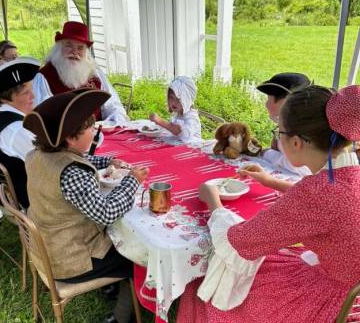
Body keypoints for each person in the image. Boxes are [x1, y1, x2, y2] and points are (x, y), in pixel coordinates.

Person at [177, 84, 360, 323]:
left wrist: (212, 197)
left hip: (330, 302)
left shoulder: (315, 194)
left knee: (202, 288)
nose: (277, 136)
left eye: (279, 131)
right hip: (350, 288)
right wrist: (271, 181)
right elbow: (329, 206)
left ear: (295, 142)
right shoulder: (349, 173)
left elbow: (238, 240)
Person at [23, 88, 149, 323]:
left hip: (45, 246)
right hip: (68, 259)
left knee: (124, 243)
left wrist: (107, 160)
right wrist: (132, 181)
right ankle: (121, 318)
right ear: (71, 137)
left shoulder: (37, 154)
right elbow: (106, 213)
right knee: (135, 253)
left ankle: (110, 288)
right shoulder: (72, 174)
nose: (94, 131)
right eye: (90, 128)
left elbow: (73, 158)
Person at [32, 21, 128, 123]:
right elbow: (42, 117)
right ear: (59, 47)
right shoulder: (44, 77)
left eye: (80, 48)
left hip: (99, 134)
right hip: (62, 137)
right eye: (69, 45)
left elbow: (113, 105)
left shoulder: (95, 74)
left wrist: (114, 121)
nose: (74, 52)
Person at [0, 57, 40, 208]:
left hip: (14, 192)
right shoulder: (15, 129)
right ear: (6, 98)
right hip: (31, 198)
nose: (33, 96)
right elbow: (48, 163)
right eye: (26, 93)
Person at [241, 72, 312, 192]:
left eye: (269, 98)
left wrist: (267, 153)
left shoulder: (301, 130)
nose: (266, 104)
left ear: (285, 101)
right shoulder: (288, 123)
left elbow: (301, 167)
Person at [148, 76, 201, 144]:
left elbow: (183, 134)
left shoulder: (192, 116)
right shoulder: (178, 113)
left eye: (178, 99)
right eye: (171, 97)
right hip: (180, 148)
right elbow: (173, 130)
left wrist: (160, 121)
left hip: (194, 151)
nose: (174, 102)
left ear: (187, 100)